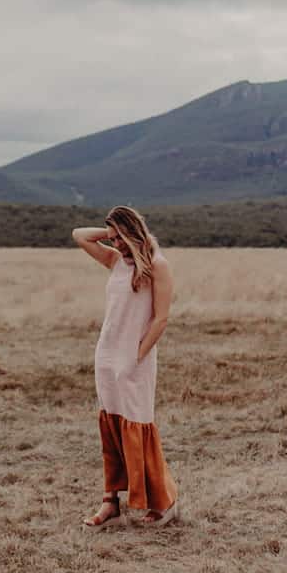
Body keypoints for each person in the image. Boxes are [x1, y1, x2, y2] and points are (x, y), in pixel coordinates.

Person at [71, 206, 179, 530]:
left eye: (120, 237)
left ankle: (164, 503)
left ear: (134, 231)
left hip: (135, 358)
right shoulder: (115, 261)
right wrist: (111, 233)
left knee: (139, 428)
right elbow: (79, 235)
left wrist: (137, 357)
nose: (115, 244)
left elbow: (161, 319)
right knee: (111, 427)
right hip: (106, 353)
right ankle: (110, 503)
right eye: (113, 238)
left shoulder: (158, 266)